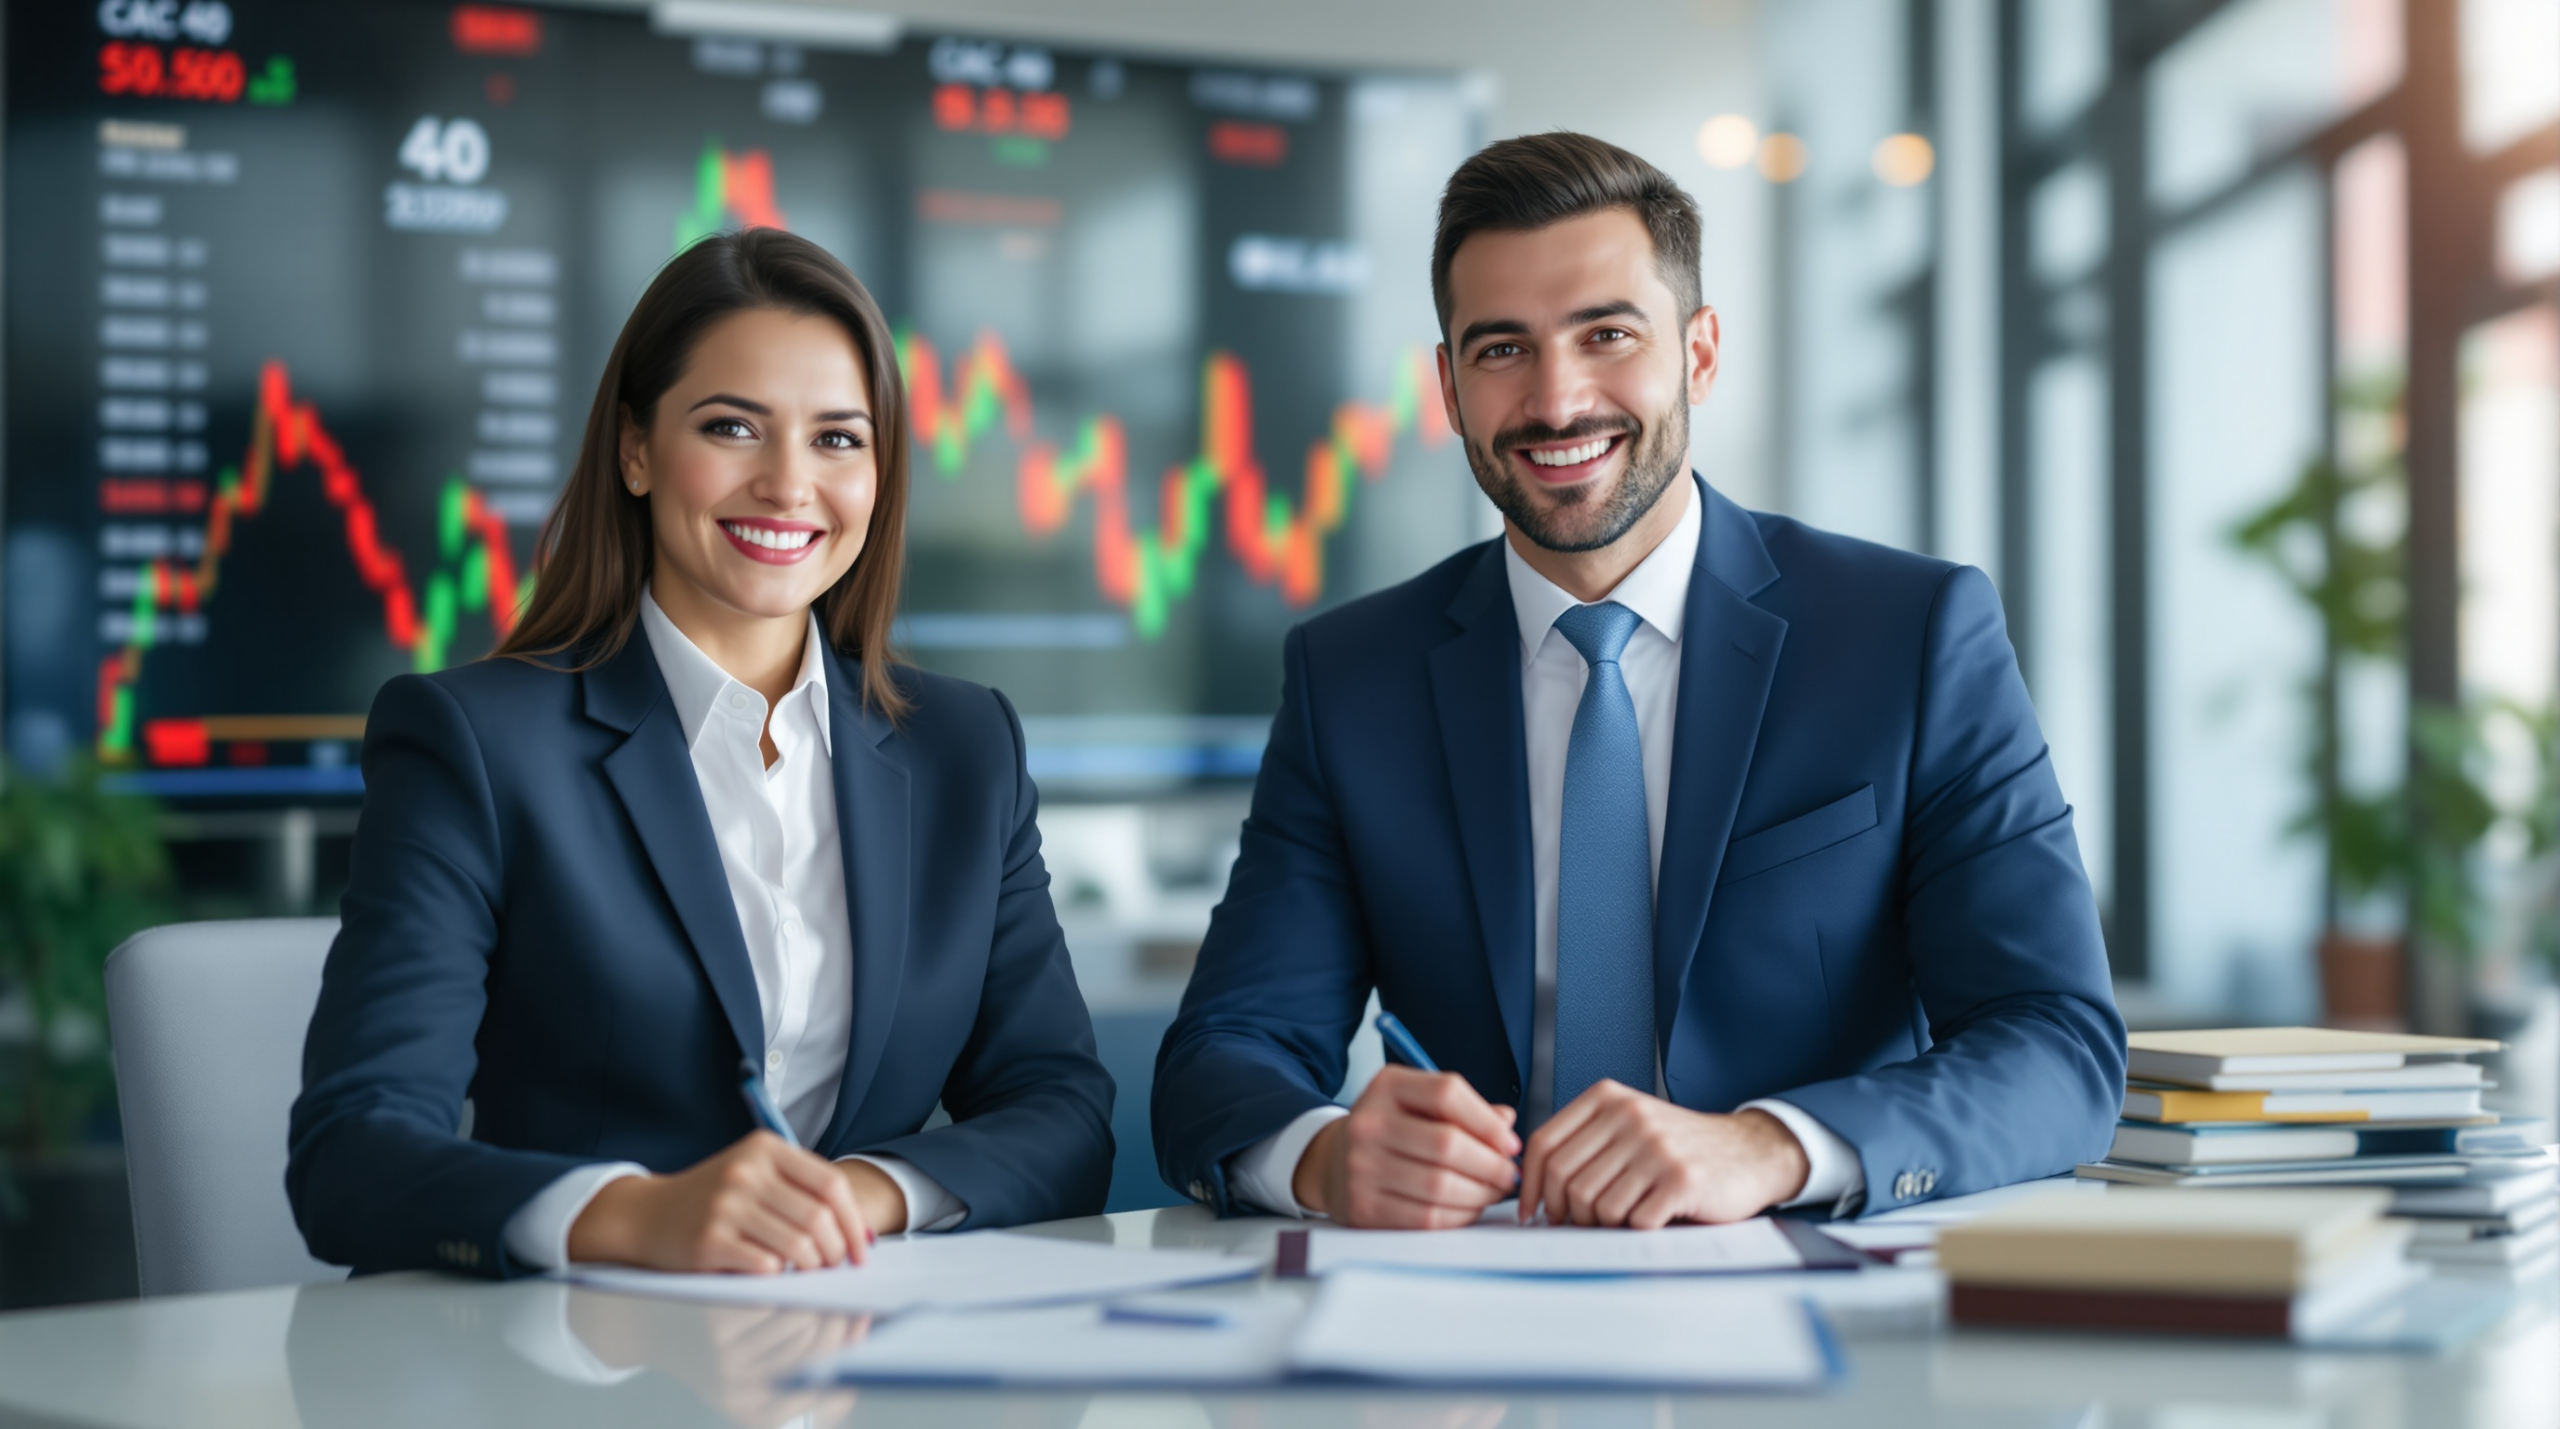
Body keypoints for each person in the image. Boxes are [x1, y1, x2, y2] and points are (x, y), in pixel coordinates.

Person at [1153, 133, 2125, 1230]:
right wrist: (1323, 1154)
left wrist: (1768, 1147)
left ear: (1699, 353)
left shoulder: (1908, 635)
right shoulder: (1350, 678)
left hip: (1813, 1305)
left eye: (1606, 335)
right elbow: (1220, 1057)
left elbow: (2057, 1043)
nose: (1557, 401)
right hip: (1468, 1306)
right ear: (1448, 387)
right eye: (1500, 349)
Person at [288, 229, 1113, 1278]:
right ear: (635, 449)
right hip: (569, 1367)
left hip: (864, 1354)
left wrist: (853, 1198)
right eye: (732, 427)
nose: (786, 483)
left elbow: (1062, 1112)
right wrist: (640, 1217)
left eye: (837, 439)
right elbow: (351, 1155)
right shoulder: (476, 746)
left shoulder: (965, 749)